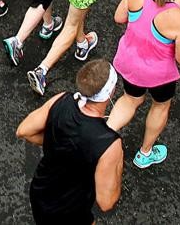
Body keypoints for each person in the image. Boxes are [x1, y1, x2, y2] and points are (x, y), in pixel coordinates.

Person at [107, 0, 180, 168]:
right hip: (159, 75)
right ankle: (145, 153)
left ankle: (100, 137)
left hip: (130, 63)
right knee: (160, 105)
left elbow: (119, 17)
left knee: (130, 99)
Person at [16, 59, 124, 224]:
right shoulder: (109, 143)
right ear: (111, 92)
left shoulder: (61, 99)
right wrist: (117, 166)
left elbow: (24, 130)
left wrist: (58, 145)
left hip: (41, 193)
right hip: (70, 211)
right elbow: (106, 202)